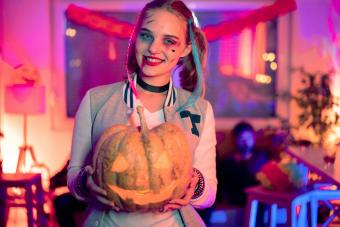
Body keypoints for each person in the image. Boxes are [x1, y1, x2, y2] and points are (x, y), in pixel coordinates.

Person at [67, 0, 217, 226]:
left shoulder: (200, 110)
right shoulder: (95, 101)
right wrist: (86, 182)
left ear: (186, 48)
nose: (154, 49)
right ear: (135, 37)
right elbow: (73, 176)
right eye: (147, 36)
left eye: (169, 41)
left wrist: (195, 185)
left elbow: (210, 193)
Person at [217, 121, 269, 207]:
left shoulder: (261, 155)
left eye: (248, 138)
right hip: (239, 197)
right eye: (241, 138)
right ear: (235, 140)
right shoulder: (228, 160)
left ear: (253, 138)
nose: (245, 142)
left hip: (260, 196)